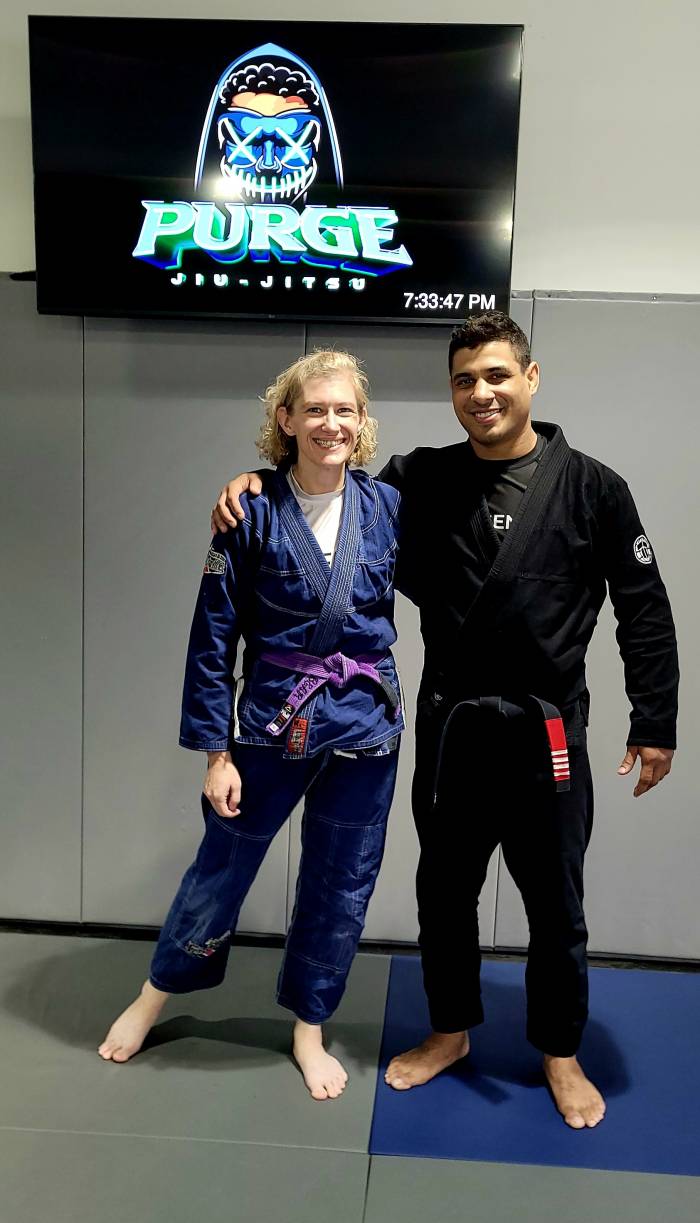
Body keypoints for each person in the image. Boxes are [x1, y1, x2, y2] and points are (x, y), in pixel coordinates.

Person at [210, 312, 678, 1129]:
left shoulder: (594, 488)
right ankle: (451, 1030)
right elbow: (327, 484)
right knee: (445, 892)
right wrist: (258, 480)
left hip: (547, 734)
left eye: (497, 374)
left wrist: (655, 719)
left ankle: (560, 1051)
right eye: (465, 380)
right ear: (452, 392)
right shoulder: (419, 479)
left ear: (531, 378)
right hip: (454, 729)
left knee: (556, 904)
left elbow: (643, 606)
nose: (481, 392)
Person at [98, 350, 405, 1101]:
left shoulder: (389, 506)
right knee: (221, 867)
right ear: (286, 418)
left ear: (362, 421)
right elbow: (213, 639)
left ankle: (309, 1026)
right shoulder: (251, 511)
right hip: (274, 725)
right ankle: (154, 994)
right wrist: (216, 753)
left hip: (366, 727)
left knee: (343, 880)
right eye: (315, 409)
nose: (331, 423)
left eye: (344, 410)